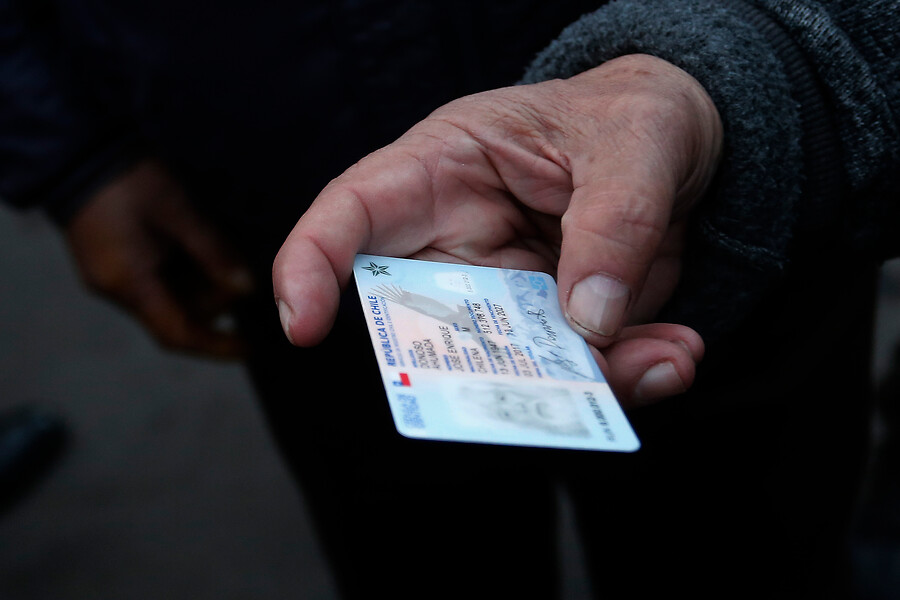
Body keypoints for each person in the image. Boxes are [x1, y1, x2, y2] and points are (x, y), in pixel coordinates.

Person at [2, 0, 897, 598]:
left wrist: (777, 75)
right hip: (295, 203)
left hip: (735, 192)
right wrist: (73, 151)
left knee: (742, 556)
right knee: (416, 559)